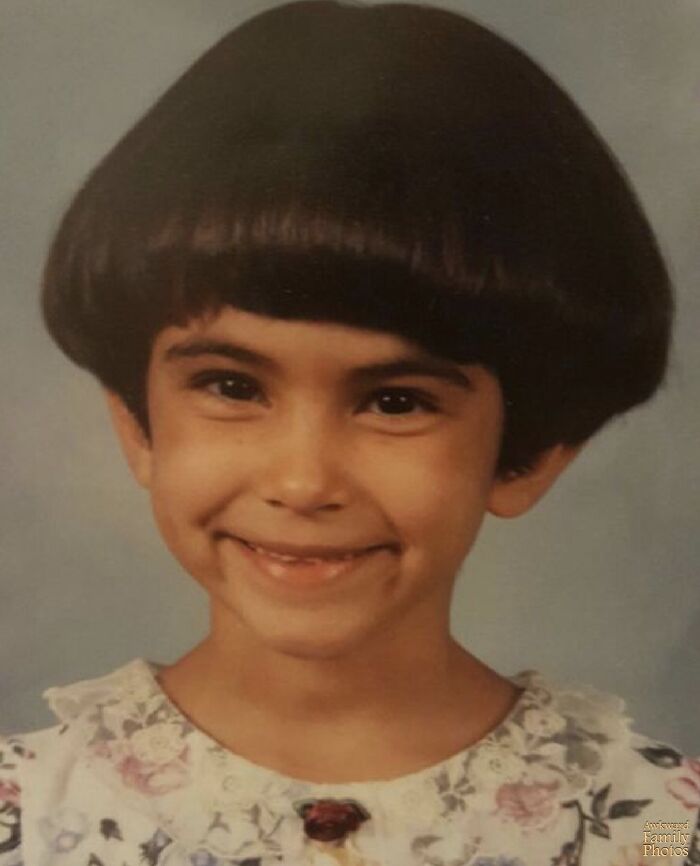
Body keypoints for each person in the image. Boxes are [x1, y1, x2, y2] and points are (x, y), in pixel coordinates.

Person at [1, 2, 697, 864]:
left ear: (530, 454)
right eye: (232, 387)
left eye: (395, 402)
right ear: (136, 426)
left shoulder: (662, 827)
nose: (303, 481)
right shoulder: (24, 813)